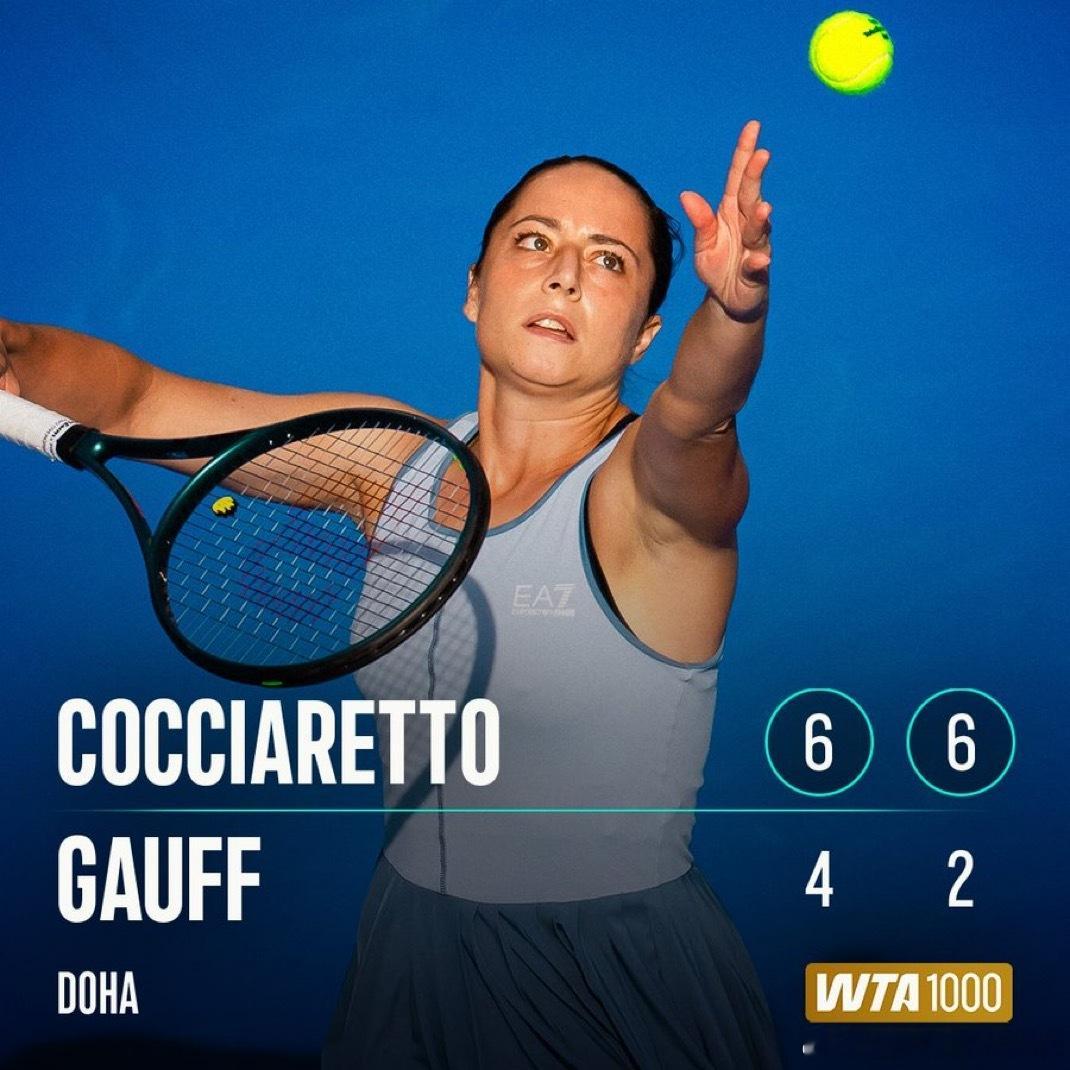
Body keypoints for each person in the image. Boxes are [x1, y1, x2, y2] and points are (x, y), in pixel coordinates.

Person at [1, 119, 781, 1068]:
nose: (565, 276)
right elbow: (133, 404)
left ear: (647, 332)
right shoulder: (391, 462)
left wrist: (734, 317)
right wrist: (12, 352)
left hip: (611, 970)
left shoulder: (649, 500)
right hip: (409, 948)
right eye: (535, 241)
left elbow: (697, 415)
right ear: (474, 288)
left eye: (609, 261)